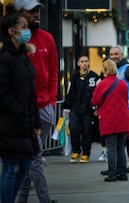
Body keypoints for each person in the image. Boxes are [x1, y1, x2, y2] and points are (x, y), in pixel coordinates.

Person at [15, 0, 59, 202]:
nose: (36, 14)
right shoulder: (18, 40)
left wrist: (51, 100)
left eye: (37, 10)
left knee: (30, 158)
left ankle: (23, 198)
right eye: (31, 11)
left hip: (43, 108)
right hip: (23, 109)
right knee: (33, 158)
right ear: (20, 13)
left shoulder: (47, 38)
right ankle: (43, 198)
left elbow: (53, 73)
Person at [0, 12, 41, 203]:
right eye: (23, 26)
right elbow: (3, 92)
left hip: (24, 122)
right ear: (11, 31)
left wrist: (35, 118)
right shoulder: (5, 57)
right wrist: (19, 111)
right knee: (11, 165)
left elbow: (31, 92)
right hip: (10, 122)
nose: (27, 30)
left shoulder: (23, 57)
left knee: (25, 165)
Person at [91, 59, 129, 182]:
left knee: (111, 148)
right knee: (121, 148)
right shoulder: (122, 83)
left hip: (109, 120)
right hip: (123, 119)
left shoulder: (102, 84)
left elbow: (94, 101)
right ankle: (123, 173)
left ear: (104, 70)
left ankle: (112, 174)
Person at [109, 45, 129, 173]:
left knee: (125, 137)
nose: (113, 57)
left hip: (127, 109)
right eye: (111, 54)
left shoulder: (127, 69)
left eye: (116, 54)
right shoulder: (112, 69)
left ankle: (128, 165)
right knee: (121, 138)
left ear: (121, 55)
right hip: (116, 109)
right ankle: (125, 165)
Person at [63, 55, 100, 163]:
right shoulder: (74, 76)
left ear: (89, 63)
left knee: (87, 131)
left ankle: (86, 153)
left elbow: (98, 93)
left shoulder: (94, 77)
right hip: (75, 108)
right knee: (73, 128)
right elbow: (69, 93)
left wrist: (96, 108)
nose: (84, 63)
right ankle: (75, 151)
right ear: (78, 63)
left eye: (86, 61)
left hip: (88, 109)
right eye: (82, 61)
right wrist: (66, 108)